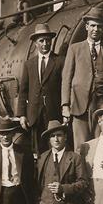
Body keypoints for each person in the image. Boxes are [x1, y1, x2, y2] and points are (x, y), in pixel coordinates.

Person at [61, 7, 103, 148]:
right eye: (93, 25)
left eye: (99, 26)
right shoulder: (75, 49)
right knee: (81, 146)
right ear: (87, 26)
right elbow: (66, 79)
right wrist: (65, 105)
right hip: (79, 105)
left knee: (101, 144)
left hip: (102, 105)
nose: (96, 29)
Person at [18, 23, 64, 153]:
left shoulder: (60, 61)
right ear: (35, 43)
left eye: (48, 40)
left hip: (54, 113)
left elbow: (65, 86)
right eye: (41, 41)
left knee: (55, 147)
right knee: (38, 150)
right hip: (35, 115)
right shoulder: (29, 64)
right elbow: (23, 91)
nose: (45, 44)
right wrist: (22, 115)